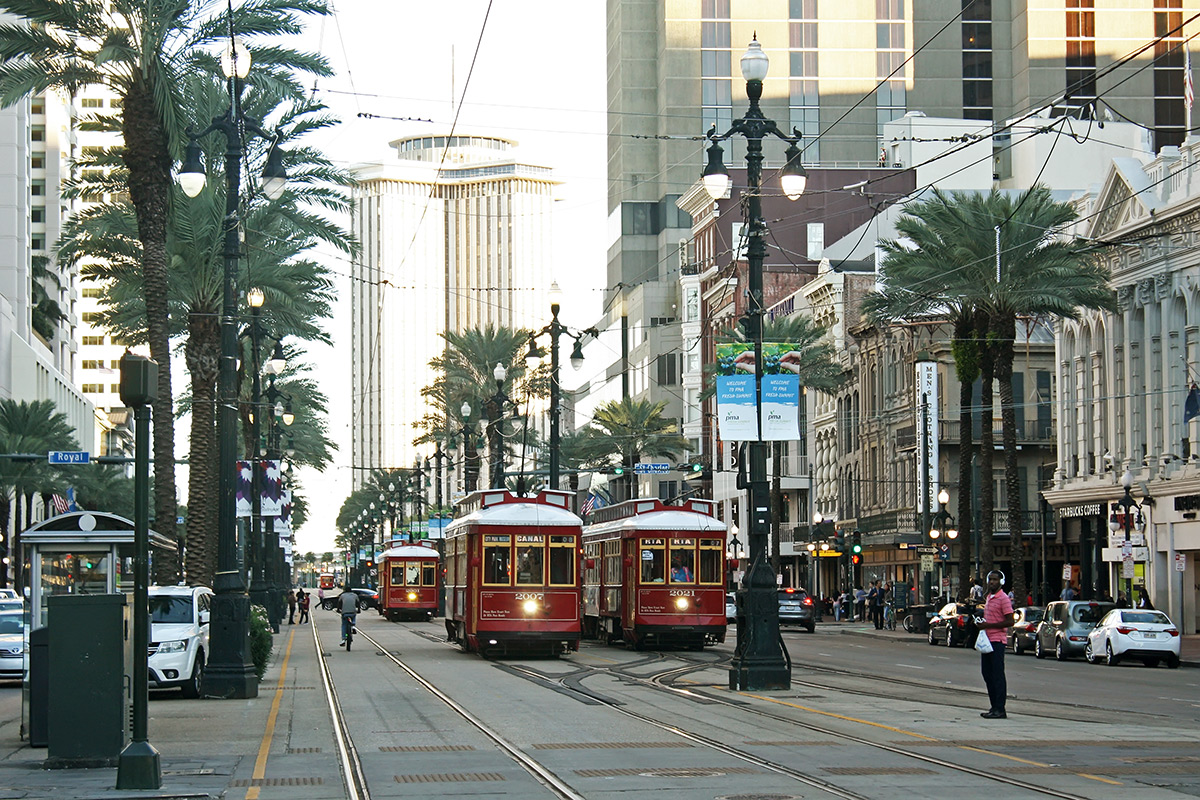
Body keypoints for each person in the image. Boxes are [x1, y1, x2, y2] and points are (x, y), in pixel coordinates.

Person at [977, 569, 1015, 719]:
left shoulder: (1003, 598)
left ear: (1001, 582)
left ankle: (1000, 708)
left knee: (997, 675)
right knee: (987, 674)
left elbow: (1010, 621)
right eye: (990, 579)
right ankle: (994, 707)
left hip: (997, 641)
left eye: (995, 580)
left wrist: (988, 626)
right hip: (987, 640)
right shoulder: (989, 597)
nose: (992, 582)